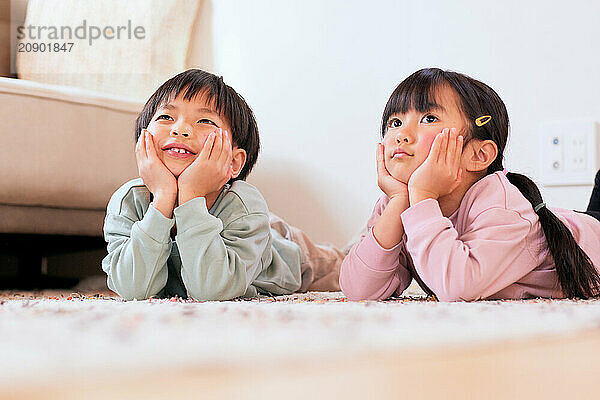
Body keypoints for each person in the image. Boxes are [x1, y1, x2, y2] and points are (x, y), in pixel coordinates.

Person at [339, 68, 600, 302]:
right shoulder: (402, 202)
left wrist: (424, 196)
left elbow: (457, 287)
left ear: (479, 155)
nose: (400, 135)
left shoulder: (501, 205)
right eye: (395, 122)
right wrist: (399, 202)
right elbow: (358, 290)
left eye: (428, 118)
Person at [102, 69, 342, 301]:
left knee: (348, 267)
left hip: (280, 247)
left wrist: (191, 195)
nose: (180, 129)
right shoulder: (128, 202)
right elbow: (132, 289)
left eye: (204, 120)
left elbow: (212, 290)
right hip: (243, 222)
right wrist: (164, 197)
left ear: (234, 161)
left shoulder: (245, 203)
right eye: (166, 117)